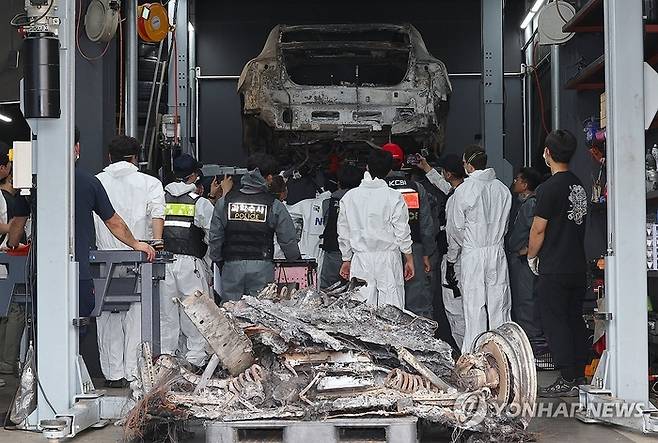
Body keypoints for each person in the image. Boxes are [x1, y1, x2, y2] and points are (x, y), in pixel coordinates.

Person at [7, 129, 156, 325]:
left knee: (45, 325)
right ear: (76, 148)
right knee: (78, 323)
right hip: (79, 271)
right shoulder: (89, 182)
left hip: (42, 273)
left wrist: (11, 244)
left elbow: (18, 223)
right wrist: (136, 243)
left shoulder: (33, 183)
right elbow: (113, 221)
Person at [93, 135, 165, 387]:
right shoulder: (150, 183)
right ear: (136, 158)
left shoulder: (96, 181)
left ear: (109, 157)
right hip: (140, 256)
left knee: (107, 316)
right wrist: (157, 244)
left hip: (102, 258)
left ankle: (114, 376)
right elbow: (157, 214)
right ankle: (135, 374)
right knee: (137, 316)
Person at [528, 130, 589, 397]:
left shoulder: (548, 189)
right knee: (574, 319)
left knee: (556, 322)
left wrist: (531, 257)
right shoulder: (579, 184)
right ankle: (578, 375)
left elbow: (538, 230)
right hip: (577, 264)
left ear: (548, 154)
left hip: (554, 266)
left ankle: (566, 377)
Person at [444, 145, 512, 352]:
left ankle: (475, 355)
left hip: (473, 252)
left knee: (474, 308)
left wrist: (453, 257)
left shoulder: (463, 191)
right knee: (499, 305)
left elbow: (455, 229)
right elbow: (506, 224)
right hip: (496, 251)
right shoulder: (502, 189)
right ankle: (503, 355)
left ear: (468, 166)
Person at [209, 154, 301, 301]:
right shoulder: (274, 205)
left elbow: (215, 237)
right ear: (269, 178)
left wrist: (218, 261)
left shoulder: (225, 202)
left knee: (230, 312)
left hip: (232, 267)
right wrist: (296, 260)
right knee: (260, 314)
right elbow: (288, 240)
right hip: (262, 268)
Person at [337, 150, 414, 308]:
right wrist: (409, 259)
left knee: (360, 311)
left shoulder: (349, 197)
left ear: (366, 167)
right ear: (388, 171)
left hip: (361, 259)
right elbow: (402, 231)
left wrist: (346, 259)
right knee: (392, 311)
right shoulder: (394, 197)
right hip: (388, 260)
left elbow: (343, 233)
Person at [160, 154, 215, 366]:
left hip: (163, 263)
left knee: (167, 314)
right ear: (193, 176)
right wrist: (209, 262)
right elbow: (212, 235)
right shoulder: (199, 203)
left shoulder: (159, 198)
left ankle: (168, 359)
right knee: (196, 312)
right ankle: (195, 361)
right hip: (190, 264)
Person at [382, 143, 435, 318]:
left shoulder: (378, 188)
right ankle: (422, 343)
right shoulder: (415, 188)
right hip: (414, 248)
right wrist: (427, 253)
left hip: (385, 251)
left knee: (387, 302)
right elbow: (426, 225)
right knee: (418, 301)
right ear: (403, 162)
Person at [507, 167, 547, 353]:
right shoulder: (520, 203)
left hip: (524, 260)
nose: (514, 182)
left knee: (526, 299)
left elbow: (537, 230)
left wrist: (527, 251)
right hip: (516, 258)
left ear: (525, 185)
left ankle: (535, 345)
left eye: (517, 180)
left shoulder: (531, 204)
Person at [319, 164, 362, 288]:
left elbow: (327, 222)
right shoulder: (362, 202)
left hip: (333, 251)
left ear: (338, 183)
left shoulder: (329, 202)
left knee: (328, 291)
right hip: (358, 254)